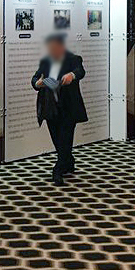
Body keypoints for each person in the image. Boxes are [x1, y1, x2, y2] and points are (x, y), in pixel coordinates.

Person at [32, 34, 87, 186]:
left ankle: (57, 171)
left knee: (65, 139)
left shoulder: (73, 59)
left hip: (68, 108)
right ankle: (69, 161)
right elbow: (35, 78)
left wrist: (72, 75)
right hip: (50, 109)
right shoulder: (45, 62)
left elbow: (80, 71)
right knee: (58, 141)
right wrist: (38, 83)